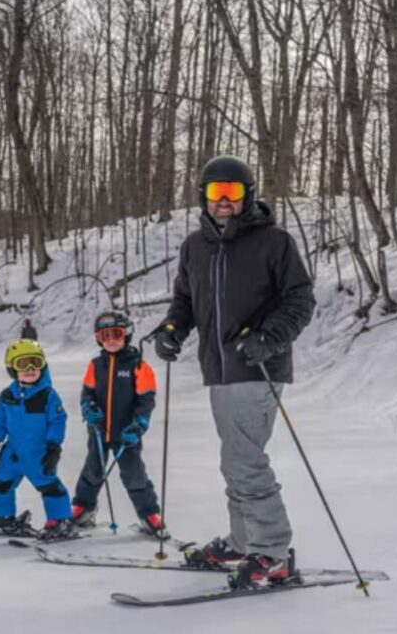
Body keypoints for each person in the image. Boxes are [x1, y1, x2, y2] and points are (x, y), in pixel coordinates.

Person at [154, 155, 315, 586]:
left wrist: (268, 337)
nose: (223, 201)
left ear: (247, 197)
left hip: (258, 367)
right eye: (215, 193)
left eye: (232, 193)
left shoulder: (274, 242)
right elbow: (184, 302)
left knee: (245, 460)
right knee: (235, 460)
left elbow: (300, 301)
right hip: (218, 370)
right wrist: (172, 329)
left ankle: (271, 550)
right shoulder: (194, 246)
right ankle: (244, 541)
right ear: (204, 197)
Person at [0, 339, 74, 539]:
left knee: (49, 486)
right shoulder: (7, 395)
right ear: (12, 368)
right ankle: (0, 515)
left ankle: (59, 520)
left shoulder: (48, 396)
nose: (31, 369)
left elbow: (58, 420)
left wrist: (53, 447)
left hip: (38, 453)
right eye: (23, 364)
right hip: (13, 453)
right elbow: (0, 421)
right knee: (2, 483)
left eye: (36, 362)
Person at [70, 311, 163, 534]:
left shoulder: (139, 366)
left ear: (126, 335)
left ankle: (149, 514)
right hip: (99, 431)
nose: (111, 340)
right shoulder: (95, 365)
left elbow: (146, 400)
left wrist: (139, 424)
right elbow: (87, 393)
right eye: (104, 336)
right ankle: (83, 508)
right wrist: (88, 409)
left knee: (134, 475)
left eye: (116, 334)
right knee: (92, 471)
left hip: (127, 433)